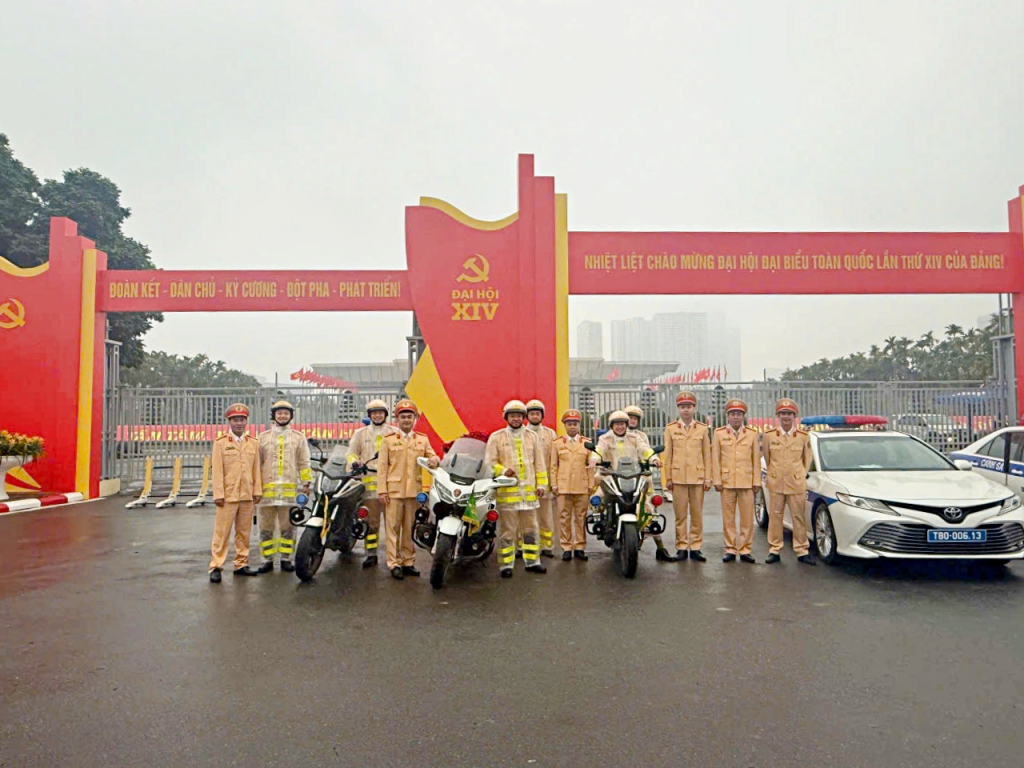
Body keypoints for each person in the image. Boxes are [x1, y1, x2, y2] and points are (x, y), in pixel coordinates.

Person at [595, 410, 675, 562]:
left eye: (623, 424)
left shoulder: (636, 437)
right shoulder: (605, 438)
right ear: (612, 425)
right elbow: (599, 450)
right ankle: (601, 523)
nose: (620, 427)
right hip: (611, 476)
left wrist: (653, 459)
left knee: (649, 507)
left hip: (634, 477)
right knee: (597, 498)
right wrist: (595, 458)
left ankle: (660, 547)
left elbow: (645, 450)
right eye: (617, 424)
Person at [485, 400, 548, 578]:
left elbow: (540, 464)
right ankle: (506, 565)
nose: (516, 419)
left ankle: (533, 561)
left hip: (528, 495)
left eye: (519, 416)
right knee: (507, 532)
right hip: (507, 494)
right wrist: (503, 471)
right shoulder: (496, 437)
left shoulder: (532, 437)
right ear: (506, 417)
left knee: (531, 530)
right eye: (512, 416)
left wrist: (542, 485)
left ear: (523, 418)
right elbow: (490, 463)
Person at [377, 399, 440, 580]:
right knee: (393, 528)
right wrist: (382, 491)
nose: (406, 420)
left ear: (415, 418)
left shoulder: (422, 439)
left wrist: (435, 460)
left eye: (409, 416)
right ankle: (394, 563)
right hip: (394, 491)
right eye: (403, 416)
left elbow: (432, 455)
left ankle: (408, 562)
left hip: (414, 492)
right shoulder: (388, 441)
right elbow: (382, 468)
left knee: (409, 527)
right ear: (397, 419)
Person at [256, 400, 312, 573]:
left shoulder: (298, 437)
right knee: (266, 528)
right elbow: (256, 464)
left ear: (291, 416)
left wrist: (306, 483)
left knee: (288, 527)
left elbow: (304, 461)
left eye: (286, 413)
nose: (282, 416)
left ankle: (286, 559)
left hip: (289, 493)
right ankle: (267, 560)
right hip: (266, 493)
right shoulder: (262, 437)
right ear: (273, 416)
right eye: (279, 413)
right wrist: (255, 487)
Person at [209, 403, 262, 583]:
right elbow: (216, 470)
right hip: (228, 495)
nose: (239, 423)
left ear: (246, 421)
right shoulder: (221, 443)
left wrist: (257, 491)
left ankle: (241, 563)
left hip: (247, 495)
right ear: (229, 422)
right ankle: (216, 565)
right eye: (235, 420)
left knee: (244, 532)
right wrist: (218, 493)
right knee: (222, 533)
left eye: (242, 420)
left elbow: (256, 470)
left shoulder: (253, 443)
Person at [762, 398, 816, 565]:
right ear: (778, 416)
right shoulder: (770, 436)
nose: (786, 417)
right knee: (775, 517)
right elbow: (767, 457)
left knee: (798, 517)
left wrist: (799, 474)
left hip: (796, 483)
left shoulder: (802, 436)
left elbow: (806, 460)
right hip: (777, 482)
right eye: (783, 413)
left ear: (795, 416)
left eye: (789, 414)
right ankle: (774, 549)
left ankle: (801, 550)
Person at [346, 399, 398, 569]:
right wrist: (354, 463)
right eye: (374, 413)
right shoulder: (360, 434)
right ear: (369, 415)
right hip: (369, 487)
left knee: (393, 524)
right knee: (371, 522)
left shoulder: (394, 433)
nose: (377, 415)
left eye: (380, 412)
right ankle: (371, 554)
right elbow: (352, 452)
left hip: (391, 487)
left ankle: (394, 557)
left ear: (385, 414)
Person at [661, 391, 712, 562]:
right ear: (678, 409)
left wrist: (708, 477)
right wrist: (667, 478)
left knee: (697, 514)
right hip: (678, 477)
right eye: (683, 407)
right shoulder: (670, 429)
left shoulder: (703, 429)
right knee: (680, 514)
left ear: (694, 408)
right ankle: (681, 546)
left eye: (689, 407)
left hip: (697, 477)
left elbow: (707, 454)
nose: (686, 410)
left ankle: (696, 546)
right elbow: (667, 455)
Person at [712, 399, 761, 564]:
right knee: (728, 518)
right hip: (727, 482)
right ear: (728, 416)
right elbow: (715, 459)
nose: (735, 417)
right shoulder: (719, 434)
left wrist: (756, 481)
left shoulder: (752, 434)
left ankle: (745, 549)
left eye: (739, 414)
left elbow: (756, 460)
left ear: (743, 416)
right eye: (732, 414)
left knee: (747, 519)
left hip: (747, 481)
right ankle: (730, 549)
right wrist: (717, 480)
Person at [549, 409, 596, 561]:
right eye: (569, 424)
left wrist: (591, 484)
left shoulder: (586, 443)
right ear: (564, 425)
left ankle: (580, 547)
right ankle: (567, 547)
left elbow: (590, 466)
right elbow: (553, 466)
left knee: (580, 518)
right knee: (564, 517)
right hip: (563, 486)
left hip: (582, 485)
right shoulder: (557, 443)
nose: (572, 427)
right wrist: (554, 484)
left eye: (575, 423)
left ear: (579, 425)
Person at [525, 398, 557, 558]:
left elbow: (554, 459)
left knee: (545, 516)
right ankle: (525, 546)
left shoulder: (550, 434)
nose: (535, 416)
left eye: (537, 413)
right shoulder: (521, 433)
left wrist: (554, 482)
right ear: (527, 416)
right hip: (526, 482)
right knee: (526, 517)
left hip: (545, 483)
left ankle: (547, 546)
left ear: (542, 415)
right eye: (532, 413)